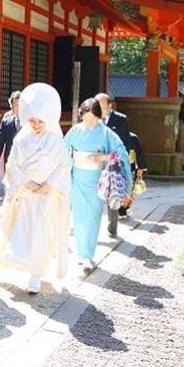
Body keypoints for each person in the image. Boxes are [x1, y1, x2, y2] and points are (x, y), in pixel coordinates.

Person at [0, 83, 71, 293]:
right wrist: (25, 181)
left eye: (40, 121)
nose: (36, 125)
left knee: (42, 235)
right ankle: (21, 264)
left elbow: (64, 166)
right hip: (26, 193)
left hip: (47, 195)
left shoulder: (55, 139)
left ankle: (36, 274)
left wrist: (50, 184)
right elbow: (12, 164)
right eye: (32, 120)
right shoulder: (21, 138)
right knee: (22, 232)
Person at [63, 98, 132, 274]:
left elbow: (122, 154)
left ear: (99, 116)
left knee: (92, 218)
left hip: (97, 181)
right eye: (85, 118)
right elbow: (62, 151)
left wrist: (102, 157)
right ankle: (82, 254)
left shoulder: (106, 133)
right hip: (78, 179)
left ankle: (87, 255)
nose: (89, 122)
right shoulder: (75, 131)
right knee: (78, 218)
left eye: (93, 119)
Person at [94, 93, 131, 238]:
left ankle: (112, 227)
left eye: (102, 106)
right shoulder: (92, 119)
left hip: (112, 163)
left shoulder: (121, 119)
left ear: (110, 105)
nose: (100, 110)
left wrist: (119, 160)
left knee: (112, 194)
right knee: (94, 194)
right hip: (95, 162)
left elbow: (126, 144)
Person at [120, 131, 147, 217]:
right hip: (119, 165)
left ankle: (124, 208)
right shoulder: (114, 136)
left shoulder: (133, 137)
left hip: (129, 166)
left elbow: (139, 153)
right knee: (120, 187)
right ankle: (120, 209)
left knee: (129, 188)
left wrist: (140, 167)